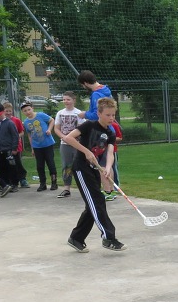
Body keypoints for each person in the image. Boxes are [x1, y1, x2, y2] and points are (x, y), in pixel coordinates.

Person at [63, 96, 126, 252]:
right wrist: (85, 151)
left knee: (92, 205)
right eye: (108, 115)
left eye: (113, 115)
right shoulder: (89, 125)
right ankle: (109, 237)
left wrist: (107, 167)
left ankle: (76, 238)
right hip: (81, 168)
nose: (111, 118)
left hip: (94, 169)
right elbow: (68, 138)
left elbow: (110, 153)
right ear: (99, 113)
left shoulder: (110, 133)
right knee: (97, 200)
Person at [21, 101, 58, 191]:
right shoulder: (26, 122)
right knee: (40, 166)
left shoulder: (40, 115)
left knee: (50, 163)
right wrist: (32, 148)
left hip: (47, 144)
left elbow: (51, 120)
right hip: (37, 146)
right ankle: (43, 183)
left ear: (32, 108)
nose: (28, 112)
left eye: (29, 109)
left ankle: (54, 183)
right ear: (23, 112)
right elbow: (30, 135)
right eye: (25, 111)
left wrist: (49, 129)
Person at [54, 91, 82, 198]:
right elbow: (56, 128)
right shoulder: (60, 113)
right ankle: (66, 189)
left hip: (77, 143)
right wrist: (64, 137)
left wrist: (73, 139)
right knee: (66, 165)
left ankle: (82, 187)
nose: (66, 101)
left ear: (73, 100)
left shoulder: (78, 113)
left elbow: (81, 129)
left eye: (68, 99)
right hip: (64, 143)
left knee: (79, 165)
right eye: (64, 99)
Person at [0, 103, 19, 195]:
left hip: (8, 149)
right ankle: (4, 184)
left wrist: (14, 148)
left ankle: (14, 184)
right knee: (1, 168)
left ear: (3, 112)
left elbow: (15, 136)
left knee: (11, 167)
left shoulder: (10, 123)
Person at [3, 102, 30, 188]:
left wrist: (16, 137)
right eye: (6, 111)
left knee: (17, 162)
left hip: (16, 146)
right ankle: (12, 181)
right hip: (6, 146)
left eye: (9, 111)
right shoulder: (1, 121)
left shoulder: (16, 120)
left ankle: (22, 179)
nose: (8, 113)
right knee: (9, 164)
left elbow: (22, 132)